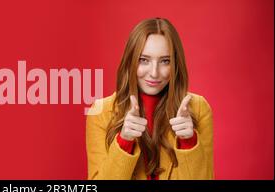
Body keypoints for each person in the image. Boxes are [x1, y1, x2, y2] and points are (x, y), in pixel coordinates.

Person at [86, 18, 214, 180]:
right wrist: (124, 142)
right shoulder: (101, 112)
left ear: (175, 64)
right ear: (130, 61)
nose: (154, 72)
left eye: (165, 61)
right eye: (143, 60)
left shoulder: (199, 109)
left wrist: (189, 142)